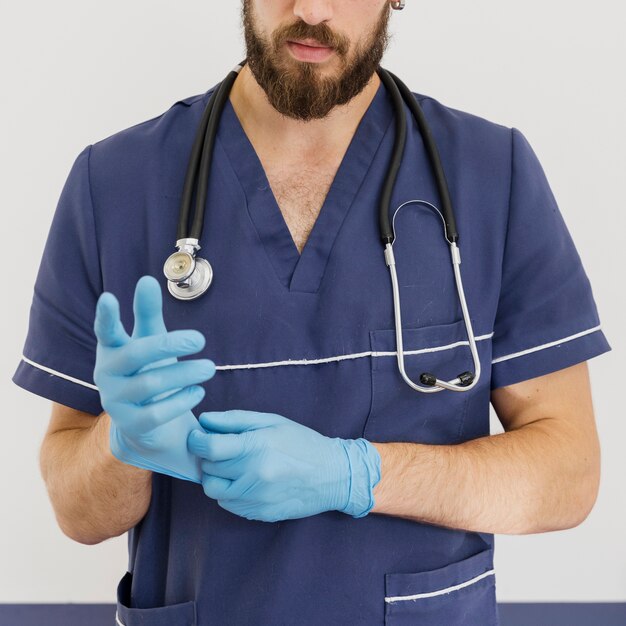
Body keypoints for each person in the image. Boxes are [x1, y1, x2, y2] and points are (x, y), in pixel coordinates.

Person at [12, 1, 611, 624]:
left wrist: (357, 475)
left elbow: (568, 476)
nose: (311, 9)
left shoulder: (492, 175)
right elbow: (76, 513)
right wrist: (120, 443)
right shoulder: (113, 185)